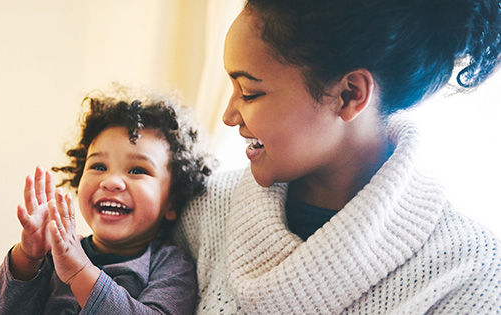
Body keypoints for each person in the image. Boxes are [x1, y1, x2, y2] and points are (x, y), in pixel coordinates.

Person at [173, 0, 501, 313]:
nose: (229, 116)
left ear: (349, 95)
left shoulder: (470, 274)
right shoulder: (201, 210)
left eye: (249, 92)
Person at [0, 87, 213, 314]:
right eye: (99, 166)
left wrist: (80, 272)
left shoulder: (171, 265)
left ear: (172, 202)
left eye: (136, 170)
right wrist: (27, 256)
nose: (111, 181)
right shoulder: (56, 253)